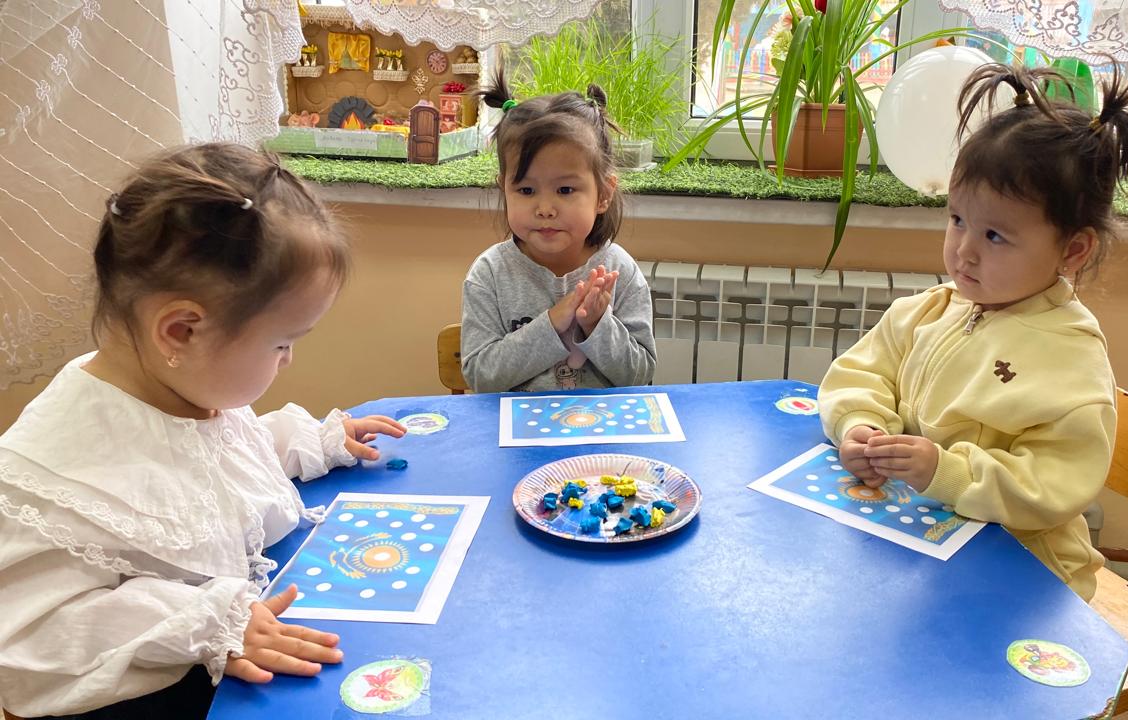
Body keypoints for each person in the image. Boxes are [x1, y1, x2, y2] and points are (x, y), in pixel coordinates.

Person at [0, 143, 406, 718]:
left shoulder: (183, 388)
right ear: (182, 331)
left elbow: (206, 479)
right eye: (282, 343)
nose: (288, 360)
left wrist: (307, 441)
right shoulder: (53, 475)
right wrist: (204, 621)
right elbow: (30, 639)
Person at [819, 63, 1128, 600]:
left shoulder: (1069, 358)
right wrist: (861, 425)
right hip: (925, 545)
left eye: (994, 235)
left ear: (1073, 250)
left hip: (1026, 576)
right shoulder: (932, 309)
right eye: (957, 220)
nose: (963, 251)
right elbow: (863, 373)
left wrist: (947, 472)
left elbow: (1051, 484)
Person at [461, 72, 656, 392]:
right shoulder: (490, 273)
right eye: (526, 190)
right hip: (518, 424)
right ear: (504, 189)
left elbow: (640, 375)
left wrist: (597, 325)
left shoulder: (619, 270)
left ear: (603, 195)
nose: (545, 209)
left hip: (600, 423)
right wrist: (552, 323)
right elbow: (481, 377)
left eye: (565, 190)